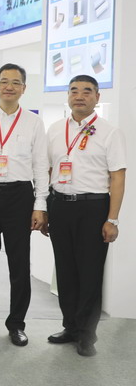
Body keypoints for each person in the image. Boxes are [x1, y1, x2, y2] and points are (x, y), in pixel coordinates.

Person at [46, 75, 126, 357]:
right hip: (60, 205)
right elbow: (48, 169)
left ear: (97, 97)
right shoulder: (55, 129)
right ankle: (70, 326)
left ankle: (86, 335)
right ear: (68, 96)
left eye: (87, 91)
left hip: (93, 208)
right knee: (65, 270)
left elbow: (117, 177)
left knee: (90, 272)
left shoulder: (109, 132)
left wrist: (112, 219)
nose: (79, 96)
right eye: (74, 91)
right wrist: (45, 207)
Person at [0, 63, 49, 347]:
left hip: (19, 196)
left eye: (16, 82)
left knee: (19, 264)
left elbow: (41, 165)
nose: (9, 87)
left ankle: (16, 324)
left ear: (24, 88)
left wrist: (40, 204)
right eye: (4, 81)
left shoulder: (34, 122)